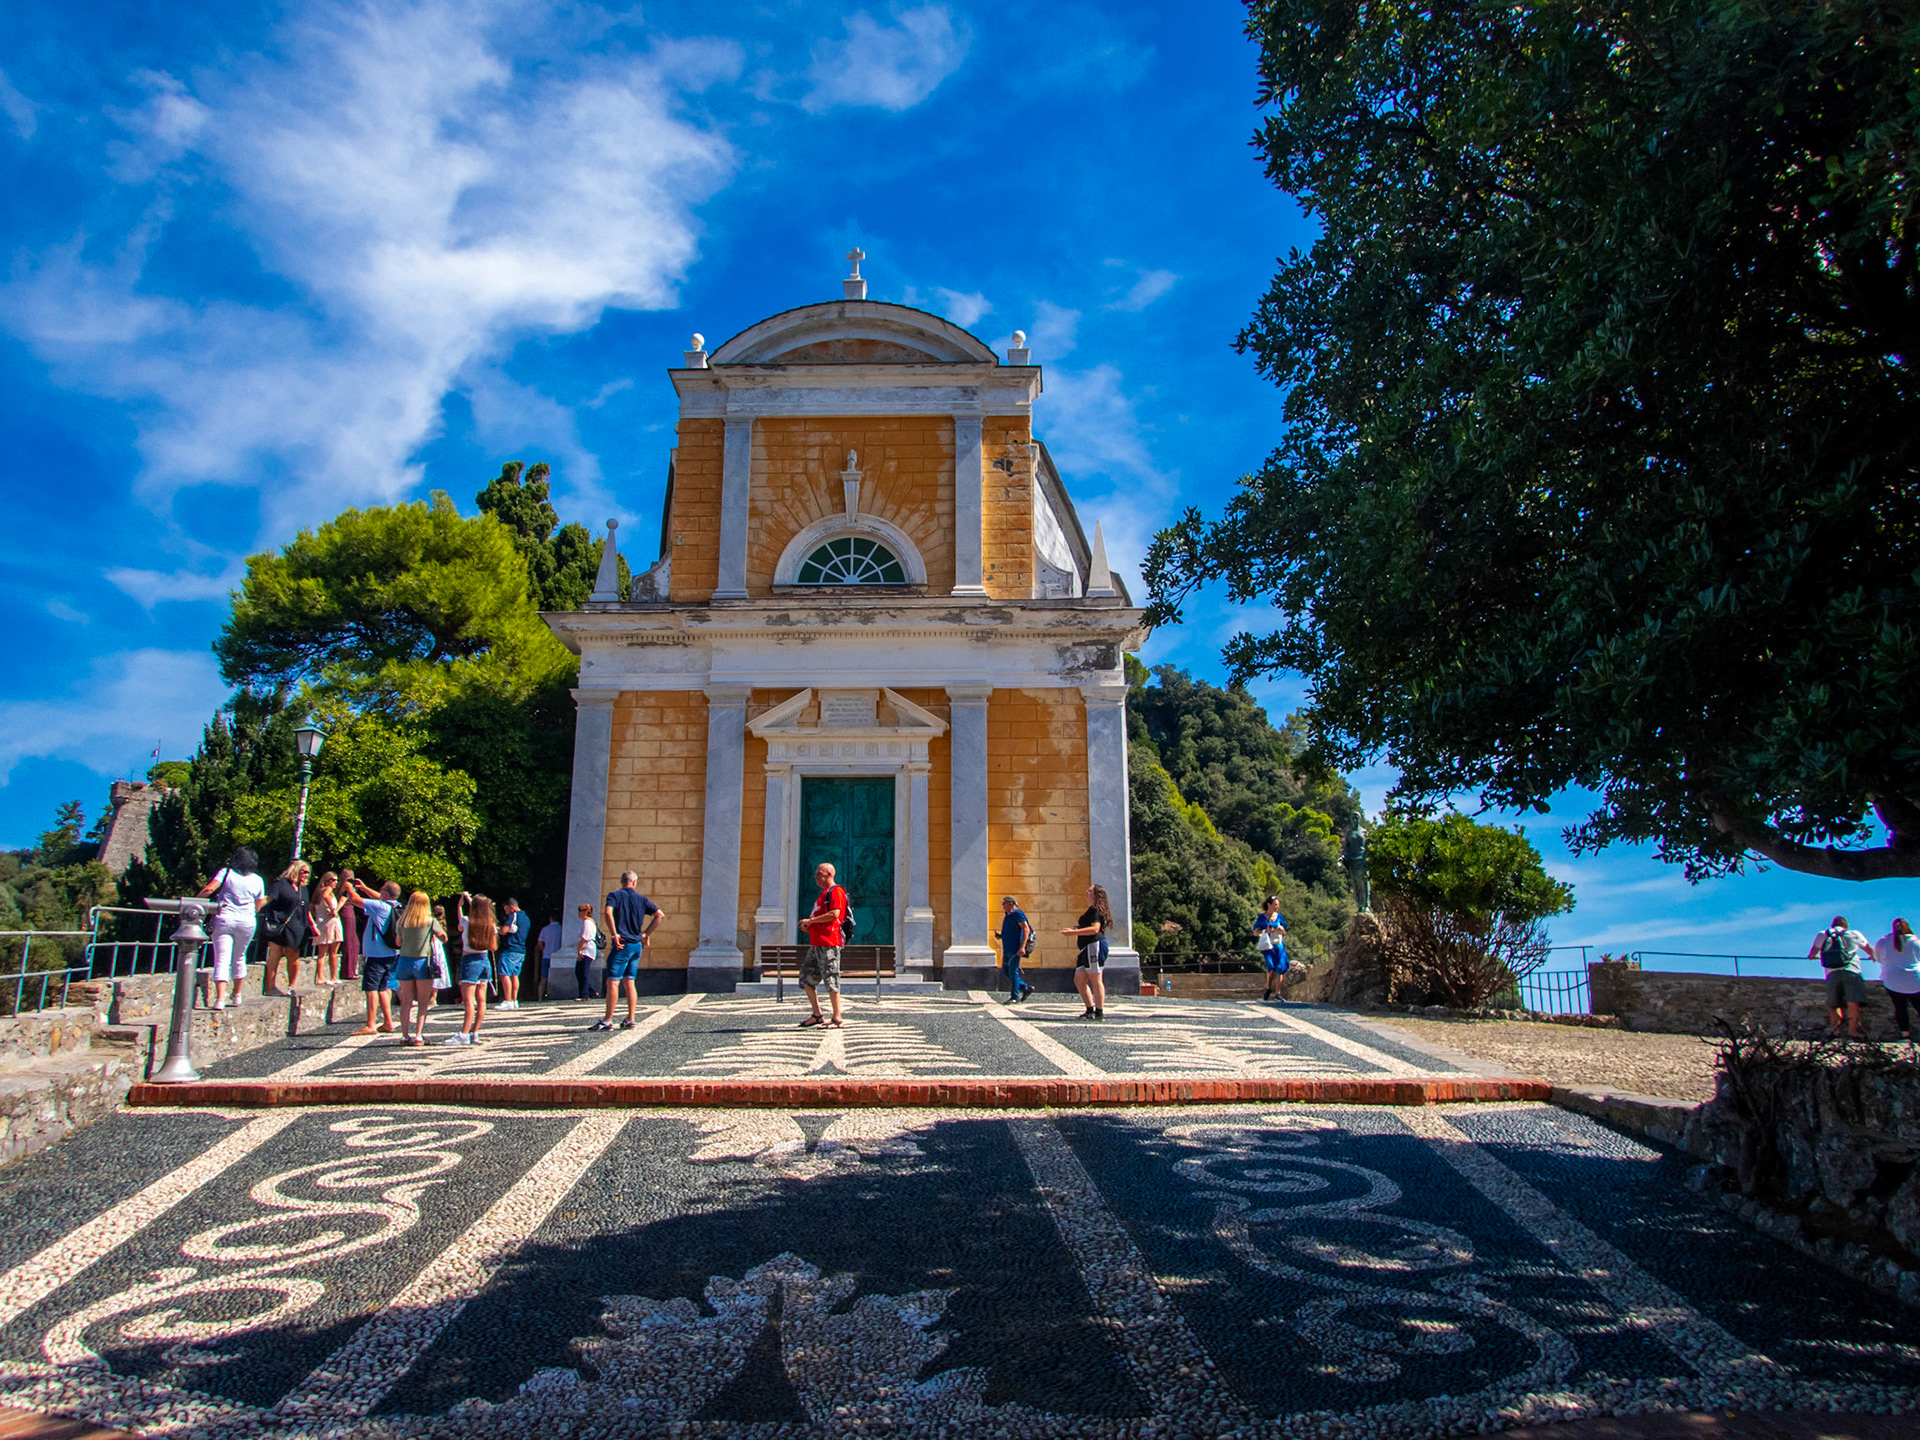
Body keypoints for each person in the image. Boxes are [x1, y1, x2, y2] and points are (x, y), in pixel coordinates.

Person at [196, 848, 266, 1009]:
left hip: (225, 918)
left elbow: (209, 889)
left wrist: (195, 900)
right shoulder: (258, 880)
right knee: (240, 957)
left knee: (222, 958)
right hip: (247, 921)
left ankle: (220, 998)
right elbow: (259, 904)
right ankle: (237, 995)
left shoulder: (226, 873)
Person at [596, 872, 662, 1031]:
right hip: (636, 945)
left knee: (613, 981)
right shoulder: (642, 899)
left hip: (622, 944)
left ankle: (608, 1020)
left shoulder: (615, 895)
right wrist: (646, 934)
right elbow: (659, 915)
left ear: (622, 881)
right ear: (634, 882)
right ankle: (631, 1018)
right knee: (630, 981)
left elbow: (608, 912)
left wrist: (614, 933)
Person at [796, 861, 848, 1029]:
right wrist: (810, 925)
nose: (815, 876)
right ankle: (817, 1014)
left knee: (831, 977)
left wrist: (811, 921)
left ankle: (837, 1017)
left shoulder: (836, 892)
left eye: (819, 873)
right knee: (805, 978)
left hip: (829, 942)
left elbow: (835, 914)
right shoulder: (823, 894)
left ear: (829, 875)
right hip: (817, 943)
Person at [350, 878, 402, 1035]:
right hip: (391, 953)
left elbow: (354, 900)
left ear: (385, 892)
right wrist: (365, 888)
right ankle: (388, 1022)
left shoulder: (379, 907)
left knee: (371, 988)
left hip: (376, 954)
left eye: (382, 890)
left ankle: (371, 1024)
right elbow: (380, 898)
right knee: (383, 988)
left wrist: (347, 886)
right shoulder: (397, 906)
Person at [1809, 914, 1872, 1038]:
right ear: (1846, 926)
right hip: (1851, 971)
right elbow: (1869, 949)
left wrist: (1814, 956)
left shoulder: (1823, 934)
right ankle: (1852, 1032)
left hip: (1831, 973)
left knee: (1834, 1004)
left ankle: (1836, 1031)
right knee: (1853, 1002)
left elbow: (1812, 953)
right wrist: (1873, 956)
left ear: (1832, 925)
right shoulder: (1854, 934)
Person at [392, 891, 438, 1045]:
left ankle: (405, 1036)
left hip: (404, 961)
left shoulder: (402, 922)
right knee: (423, 1001)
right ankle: (418, 1035)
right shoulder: (430, 921)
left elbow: (398, 943)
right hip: (422, 961)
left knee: (406, 1001)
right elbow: (443, 936)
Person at [260, 860, 312, 996]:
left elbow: (306, 909)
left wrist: (312, 925)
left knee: (293, 955)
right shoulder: (280, 885)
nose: (306, 875)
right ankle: (270, 987)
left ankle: (291, 985)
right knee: (275, 954)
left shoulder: (303, 889)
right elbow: (268, 900)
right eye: (304, 871)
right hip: (279, 925)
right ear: (296, 870)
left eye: (308, 872)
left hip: (297, 927)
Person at [452, 893, 498, 1045]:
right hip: (484, 960)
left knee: (468, 1001)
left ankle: (463, 1034)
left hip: (469, 960)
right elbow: (494, 947)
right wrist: (472, 901)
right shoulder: (490, 925)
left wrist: (460, 906)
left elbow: (460, 924)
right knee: (482, 1001)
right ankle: (475, 1032)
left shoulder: (466, 921)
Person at [1062, 884, 1112, 1021]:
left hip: (1094, 945)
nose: (1086, 891)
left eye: (1090, 890)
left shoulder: (1096, 910)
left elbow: (1095, 929)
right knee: (1079, 980)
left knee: (1096, 979)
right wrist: (1079, 928)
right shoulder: (1091, 910)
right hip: (1086, 948)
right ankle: (1089, 1010)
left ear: (1096, 894)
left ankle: (1099, 1012)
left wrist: (1074, 932)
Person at [1874, 917, 1920, 1049]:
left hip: (1892, 981)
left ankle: (1905, 1036)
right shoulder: (1915, 942)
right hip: (1915, 981)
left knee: (1900, 1008)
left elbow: (1878, 958)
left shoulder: (1883, 941)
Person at [310, 873, 344, 986]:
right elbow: (325, 895)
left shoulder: (317, 893)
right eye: (333, 880)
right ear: (327, 880)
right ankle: (329, 976)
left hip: (323, 922)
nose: (335, 882)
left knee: (323, 953)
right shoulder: (326, 890)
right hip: (329, 922)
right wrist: (333, 909)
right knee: (330, 952)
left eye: (336, 880)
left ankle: (325, 976)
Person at [1254, 896, 1290, 1004]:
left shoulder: (1279, 917)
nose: (1277, 906)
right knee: (1271, 967)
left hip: (1279, 945)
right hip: (1268, 946)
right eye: (1275, 904)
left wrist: (1282, 929)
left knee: (1280, 968)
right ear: (1269, 905)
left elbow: (1285, 930)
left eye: (1278, 904)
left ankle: (1278, 993)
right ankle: (1268, 987)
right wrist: (1266, 930)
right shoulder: (1262, 917)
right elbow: (1256, 932)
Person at [495, 898, 529, 1009]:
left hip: (511, 949)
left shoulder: (513, 916)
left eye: (506, 910)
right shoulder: (526, 918)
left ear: (512, 907)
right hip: (521, 950)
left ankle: (508, 1000)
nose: (505, 912)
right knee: (515, 975)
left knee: (504, 974)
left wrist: (496, 928)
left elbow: (504, 931)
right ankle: (514, 1000)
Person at [998, 895, 1033, 1002]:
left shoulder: (1018, 913)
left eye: (1004, 903)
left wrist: (1022, 947)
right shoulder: (1008, 915)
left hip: (1015, 949)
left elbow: (1025, 929)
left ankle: (1014, 996)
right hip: (1007, 948)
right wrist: (1000, 936)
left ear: (1011, 903)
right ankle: (1025, 988)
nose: (1002, 905)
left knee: (1013, 971)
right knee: (1006, 971)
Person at [337, 867, 361, 982]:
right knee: (350, 941)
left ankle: (351, 970)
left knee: (353, 942)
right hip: (347, 912)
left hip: (348, 912)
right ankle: (349, 971)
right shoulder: (346, 888)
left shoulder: (339, 887)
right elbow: (343, 899)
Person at [573, 902, 600, 1000]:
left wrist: (579, 949)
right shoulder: (586, 922)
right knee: (579, 971)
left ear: (586, 912)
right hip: (587, 949)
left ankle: (584, 994)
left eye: (581, 910)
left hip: (587, 949)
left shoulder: (587, 922)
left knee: (583, 971)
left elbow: (586, 937)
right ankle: (591, 991)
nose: (579, 913)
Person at [533, 913, 562, 1003]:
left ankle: (540, 998)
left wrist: (543, 950)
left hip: (546, 956)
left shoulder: (545, 929)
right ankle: (555, 997)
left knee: (543, 978)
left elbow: (540, 943)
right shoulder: (562, 929)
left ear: (550, 918)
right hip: (558, 957)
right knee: (557, 978)